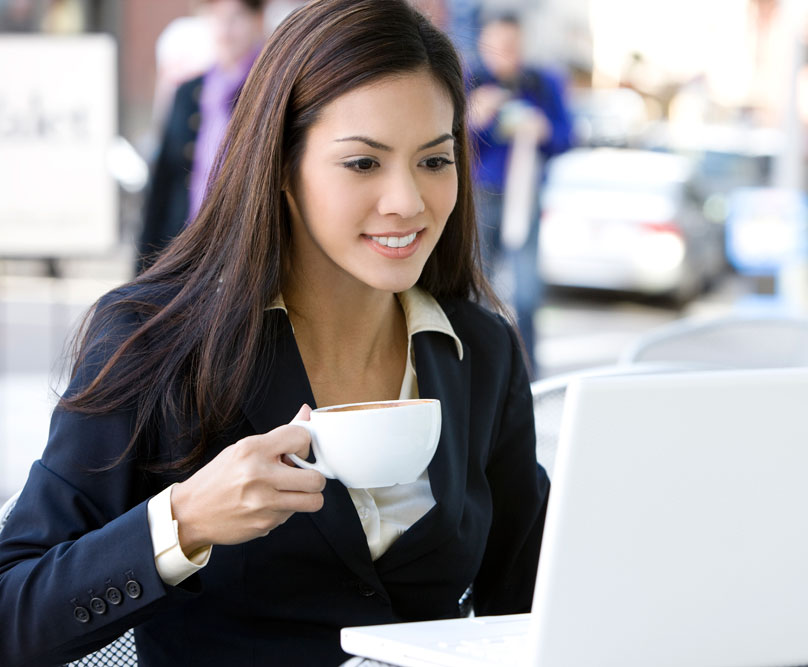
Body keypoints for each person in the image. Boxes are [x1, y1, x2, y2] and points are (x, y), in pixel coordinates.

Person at [0, 1, 549, 665]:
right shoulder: (157, 340)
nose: (408, 200)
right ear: (282, 168)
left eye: (434, 161)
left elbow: (529, 602)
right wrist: (185, 520)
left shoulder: (479, 350)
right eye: (363, 164)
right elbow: (13, 612)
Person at [467, 12, 572, 374]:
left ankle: (527, 371)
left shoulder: (542, 84)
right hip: (480, 196)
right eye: (498, 47)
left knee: (527, 291)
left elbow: (566, 136)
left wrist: (543, 130)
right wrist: (473, 119)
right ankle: (477, 367)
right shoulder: (470, 82)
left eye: (512, 46)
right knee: (477, 287)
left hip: (526, 196)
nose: (505, 54)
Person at [136, 0, 266, 271]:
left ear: (258, 20)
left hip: (245, 254)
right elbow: (164, 181)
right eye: (217, 18)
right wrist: (142, 268)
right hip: (185, 247)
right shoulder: (189, 91)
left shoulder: (269, 88)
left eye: (236, 18)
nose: (226, 29)